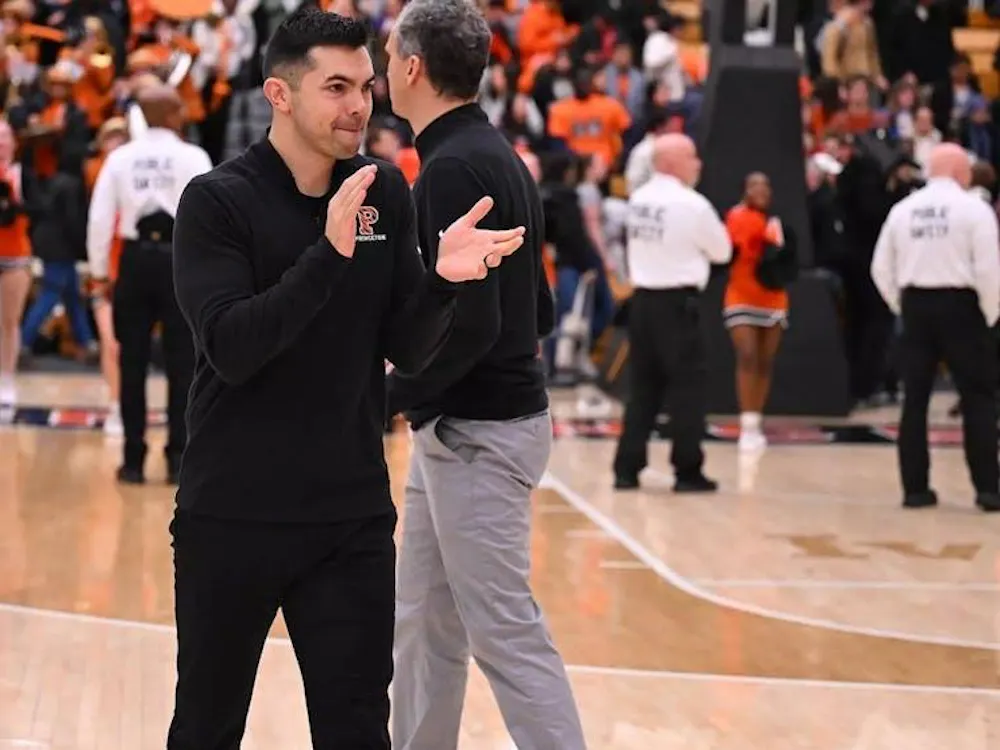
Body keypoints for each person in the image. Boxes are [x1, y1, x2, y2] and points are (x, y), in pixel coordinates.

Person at [166, 8, 526, 749]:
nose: (359, 105)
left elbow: (408, 348)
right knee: (206, 726)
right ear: (280, 94)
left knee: (358, 729)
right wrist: (328, 255)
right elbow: (232, 347)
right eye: (336, 87)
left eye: (365, 85)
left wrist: (445, 284)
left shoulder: (383, 191)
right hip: (233, 514)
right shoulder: (217, 201)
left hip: (349, 518)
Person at [381, 1, 584, 749]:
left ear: (412, 68)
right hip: (463, 427)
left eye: (387, 53)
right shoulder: (495, 156)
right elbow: (538, 305)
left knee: (503, 630)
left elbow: (478, 324)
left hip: (479, 432)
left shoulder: (453, 167)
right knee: (424, 623)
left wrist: (387, 397)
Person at [86, 84, 213, 484]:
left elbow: (99, 220)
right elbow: (210, 217)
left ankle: (133, 460)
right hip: (179, 262)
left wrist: (99, 272)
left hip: (135, 262)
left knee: (132, 362)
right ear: (171, 114)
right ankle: (178, 459)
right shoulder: (193, 156)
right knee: (183, 363)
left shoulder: (120, 158)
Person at [871, 143, 1000, 512]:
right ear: (960, 171)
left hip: (916, 306)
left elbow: (880, 268)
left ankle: (915, 490)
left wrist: (902, 305)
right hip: (963, 307)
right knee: (978, 397)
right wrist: (989, 314)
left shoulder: (903, 210)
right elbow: (989, 269)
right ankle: (988, 490)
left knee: (914, 400)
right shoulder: (974, 209)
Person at [612, 133, 732, 492]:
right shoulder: (692, 205)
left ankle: (626, 469)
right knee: (687, 388)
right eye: (692, 156)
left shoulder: (638, 200)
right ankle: (687, 469)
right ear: (672, 162)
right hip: (678, 305)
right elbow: (722, 251)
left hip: (642, 303)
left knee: (642, 388)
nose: (698, 164)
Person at [723, 172, 792, 453]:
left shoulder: (776, 222)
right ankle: (747, 424)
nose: (761, 190)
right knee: (747, 355)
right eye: (754, 185)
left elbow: (788, 258)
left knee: (765, 360)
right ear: (745, 190)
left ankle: (755, 421)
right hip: (740, 295)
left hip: (773, 298)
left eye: (765, 185)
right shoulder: (736, 217)